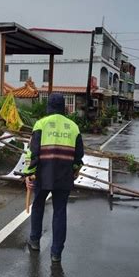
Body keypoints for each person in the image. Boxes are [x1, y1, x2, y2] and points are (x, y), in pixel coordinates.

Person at [23, 93, 84, 263]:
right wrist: (75, 169)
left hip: (42, 174)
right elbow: (79, 156)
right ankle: (56, 252)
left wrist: (29, 173)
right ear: (63, 107)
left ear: (49, 106)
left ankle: (34, 240)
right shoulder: (73, 127)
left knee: (38, 206)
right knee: (59, 212)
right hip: (64, 176)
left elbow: (33, 152)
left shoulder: (41, 124)